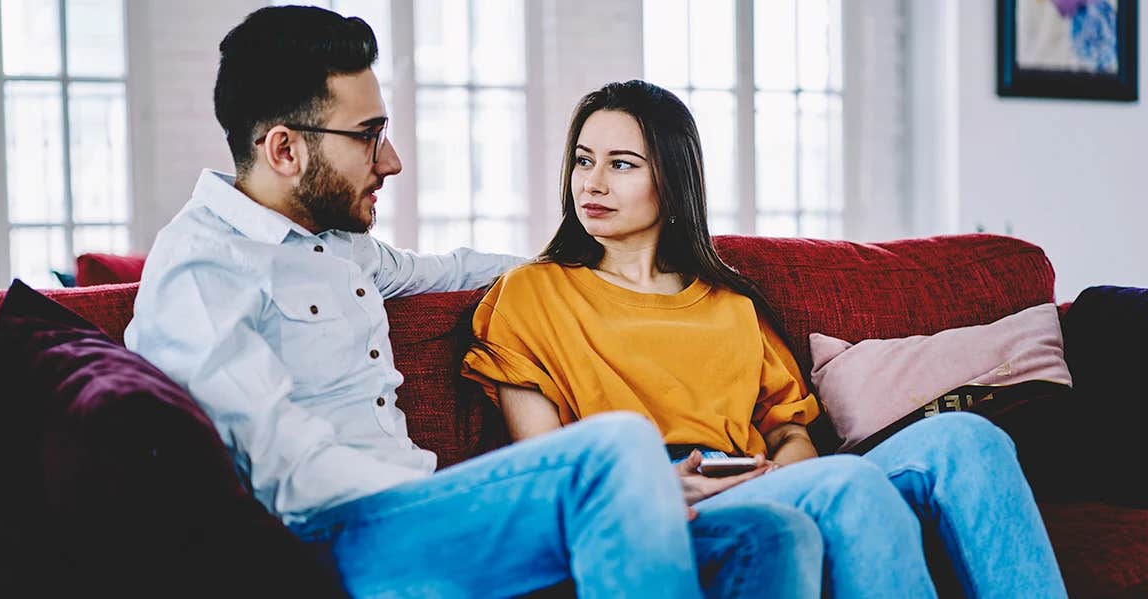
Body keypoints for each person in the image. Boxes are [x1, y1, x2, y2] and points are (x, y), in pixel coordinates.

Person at [126, 7, 826, 597]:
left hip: (418, 513)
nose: (392, 160)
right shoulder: (200, 271)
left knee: (774, 532)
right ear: (284, 149)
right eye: (369, 136)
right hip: (337, 536)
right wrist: (484, 488)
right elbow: (291, 473)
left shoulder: (336, 245)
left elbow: (453, 269)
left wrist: (599, 274)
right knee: (618, 447)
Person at [463, 79, 1069, 598]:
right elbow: (544, 467)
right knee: (849, 481)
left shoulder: (731, 305)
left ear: (672, 180)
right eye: (583, 159)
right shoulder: (532, 294)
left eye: (621, 163)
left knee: (968, 438)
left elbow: (790, 431)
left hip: (762, 478)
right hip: (655, 497)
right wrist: (647, 487)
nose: (592, 181)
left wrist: (782, 475)